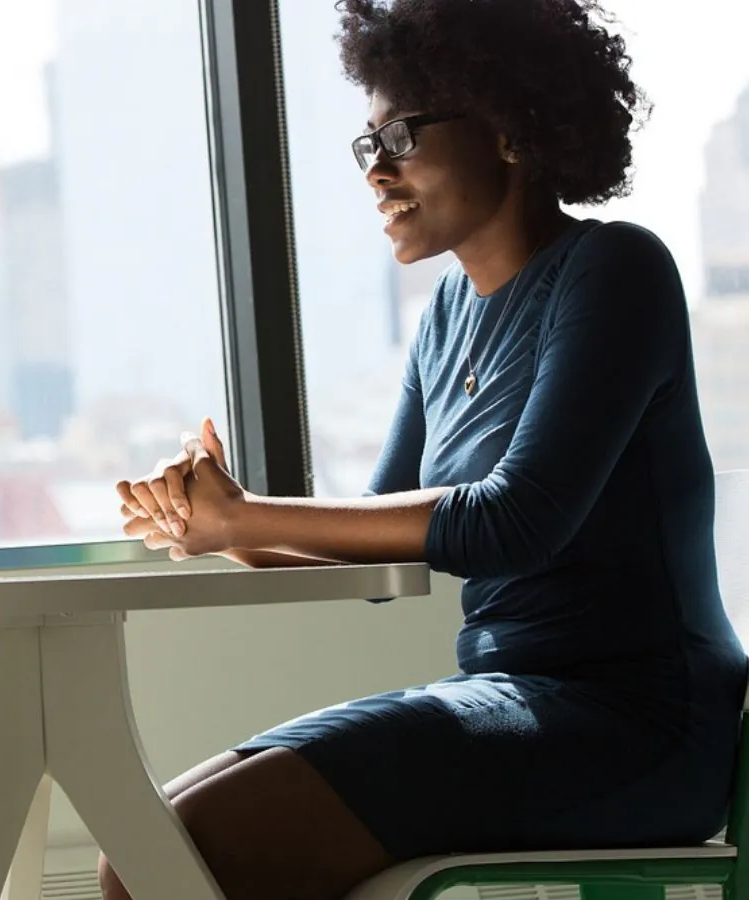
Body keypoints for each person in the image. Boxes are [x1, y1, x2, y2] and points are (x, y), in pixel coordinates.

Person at [106, 2, 748, 899]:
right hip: (510, 696)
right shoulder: (445, 319)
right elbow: (380, 553)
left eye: (399, 137)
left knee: (185, 857)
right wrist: (215, 526)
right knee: (141, 854)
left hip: (638, 721)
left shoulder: (616, 271)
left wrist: (247, 515)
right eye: (366, 147)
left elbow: (516, 521)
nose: (376, 172)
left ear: (510, 128)